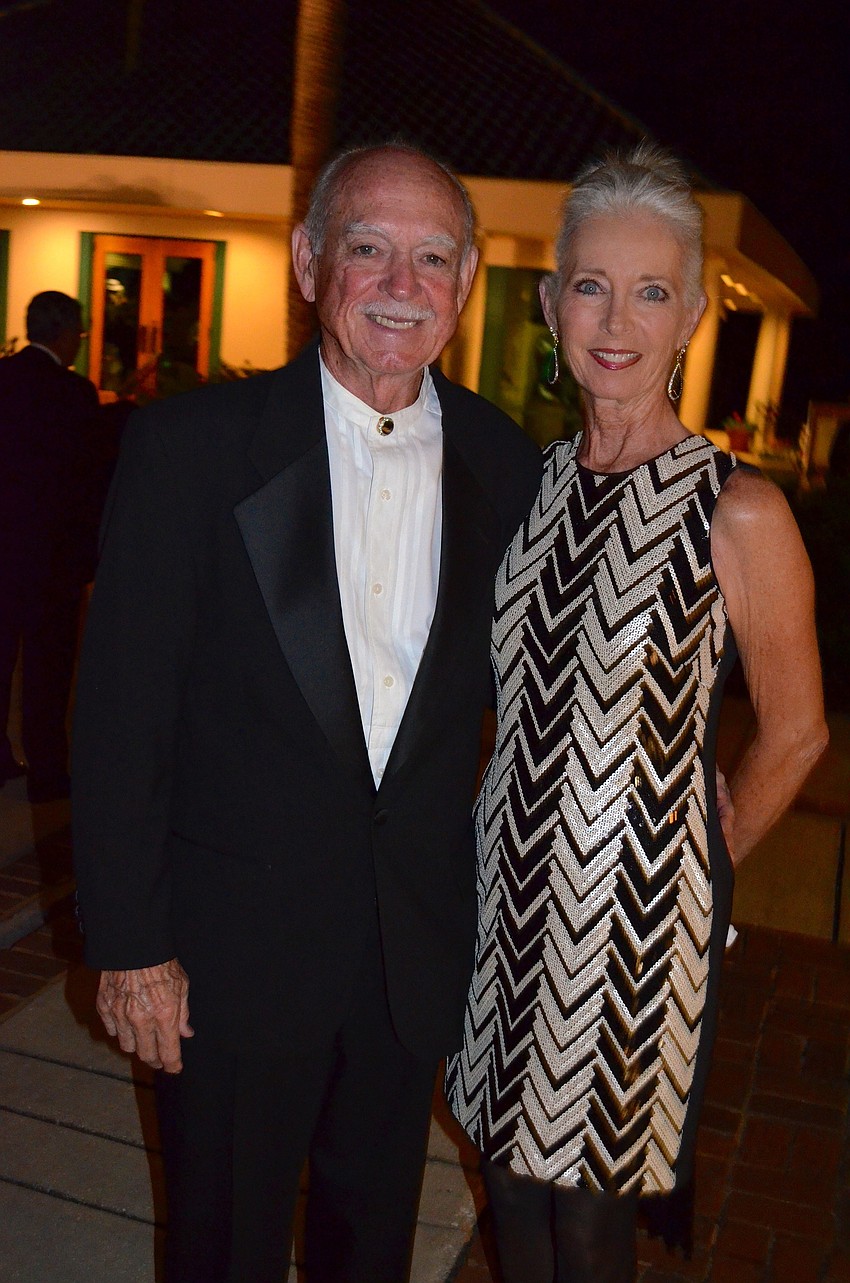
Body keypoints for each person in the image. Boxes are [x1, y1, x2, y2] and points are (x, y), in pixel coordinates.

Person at [71, 142, 542, 1283]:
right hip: (227, 955)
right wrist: (132, 944)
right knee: (219, 1248)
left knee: (367, 1247)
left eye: (432, 257)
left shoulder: (507, 462)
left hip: (407, 957)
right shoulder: (191, 449)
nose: (400, 282)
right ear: (307, 261)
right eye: (368, 248)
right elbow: (121, 708)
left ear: (468, 279)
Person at [445, 143, 828, 1283]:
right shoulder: (534, 484)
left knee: (590, 1217)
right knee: (505, 1176)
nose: (617, 319)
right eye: (592, 285)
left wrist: (694, 864)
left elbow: (797, 729)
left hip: (631, 933)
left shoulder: (737, 510)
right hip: (498, 894)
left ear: (694, 314)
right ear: (554, 299)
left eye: (650, 290)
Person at [0, 290, 101, 802]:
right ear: (64, 333)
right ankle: (46, 770)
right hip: (50, 559)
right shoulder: (75, 395)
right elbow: (85, 484)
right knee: (48, 672)